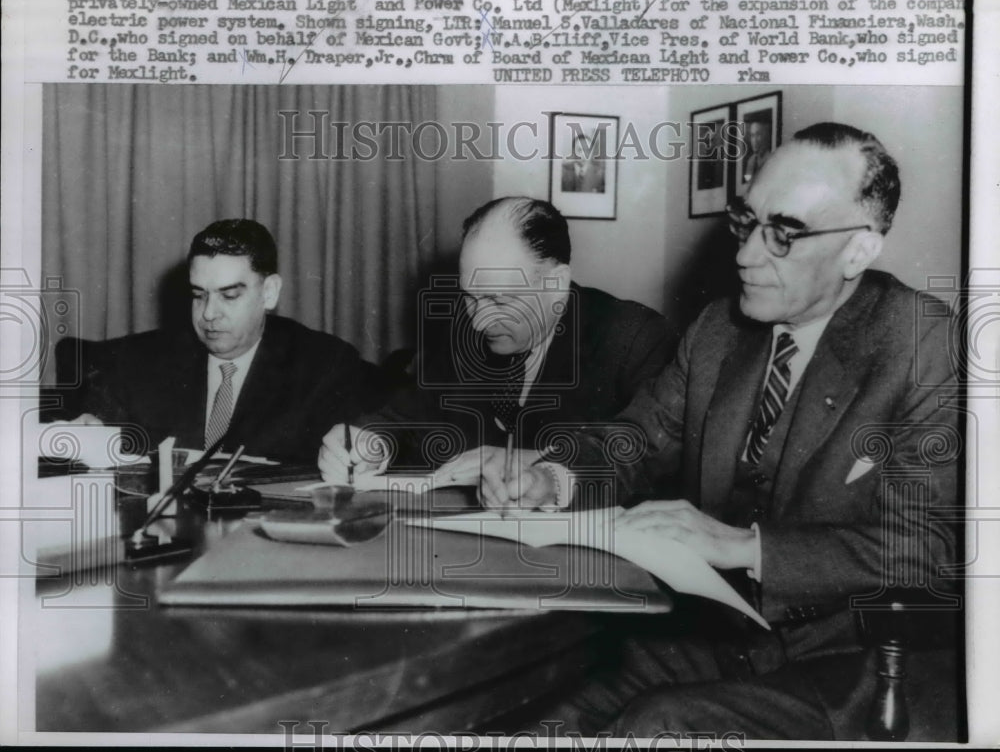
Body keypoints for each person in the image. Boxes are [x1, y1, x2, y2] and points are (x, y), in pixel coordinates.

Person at [479, 124, 959, 737]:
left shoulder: (924, 343)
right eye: (745, 222)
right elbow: (635, 441)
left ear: (859, 251)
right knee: (544, 717)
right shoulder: (718, 331)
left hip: (858, 663)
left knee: (660, 728)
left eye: (784, 233)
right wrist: (550, 477)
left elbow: (929, 546)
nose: (746, 255)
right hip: (725, 638)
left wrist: (744, 547)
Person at [318, 197, 675, 489]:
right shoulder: (467, 336)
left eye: (500, 301)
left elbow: (647, 454)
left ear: (556, 282)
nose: (478, 319)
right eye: (470, 298)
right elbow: (408, 420)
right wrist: (371, 443)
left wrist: (530, 460)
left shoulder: (630, 337)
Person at [71, 219, 384, 462]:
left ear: (270, 292)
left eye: (229, 295)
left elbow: (387, 431)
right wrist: (90, 431)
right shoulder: (136, 361)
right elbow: (99, 421)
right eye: (198, 295)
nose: (208, 313)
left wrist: (366, 450)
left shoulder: (323, 364)